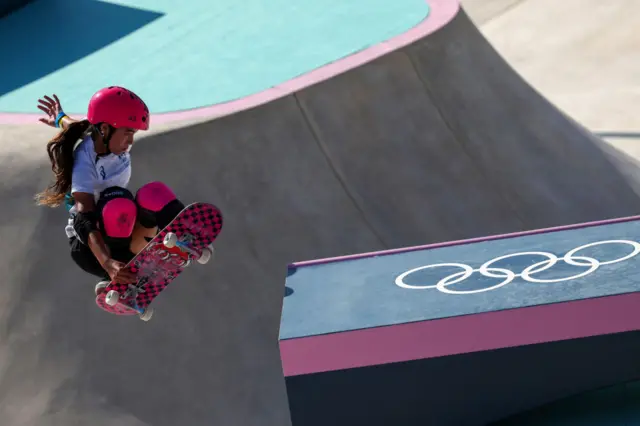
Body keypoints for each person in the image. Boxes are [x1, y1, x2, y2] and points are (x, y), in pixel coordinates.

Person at [35, 87, 208, 296]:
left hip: (120, 230)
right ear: (106, 130)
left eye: (133, 133)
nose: (131, 141)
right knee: (118, 202)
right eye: (128, 133)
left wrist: (59, 117)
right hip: (90, 247)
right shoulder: (84, 163)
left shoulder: (101, 134)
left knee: (153, 192)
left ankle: (186, 234)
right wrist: (107, 262)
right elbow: (83, 218)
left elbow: (76, 126)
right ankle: (115, 275)